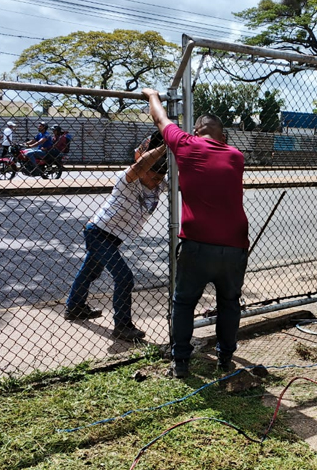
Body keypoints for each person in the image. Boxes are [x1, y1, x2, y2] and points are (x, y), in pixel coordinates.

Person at [142, 88, 249, 378]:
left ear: (195, 131)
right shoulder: (236, 156)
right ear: (223, 136)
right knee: (229, 303)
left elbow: (160, 119)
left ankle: (181, 363)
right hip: (235, 245)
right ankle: (226, 359)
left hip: (197, 244)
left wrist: (152, 95)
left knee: (185, 302)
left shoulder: (186, 144)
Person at [65, 137, 168, 342]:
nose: (157, 182)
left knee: (90, 271)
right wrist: (166, 145)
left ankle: (74, 307)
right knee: (124, 277)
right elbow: (139, 165)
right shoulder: (126, 180)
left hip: (114, 237)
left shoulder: (159, 184)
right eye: (153, 177)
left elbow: (180, 177)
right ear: (145, 171)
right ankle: (122, 325)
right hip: (97, 232)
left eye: (159, 178)